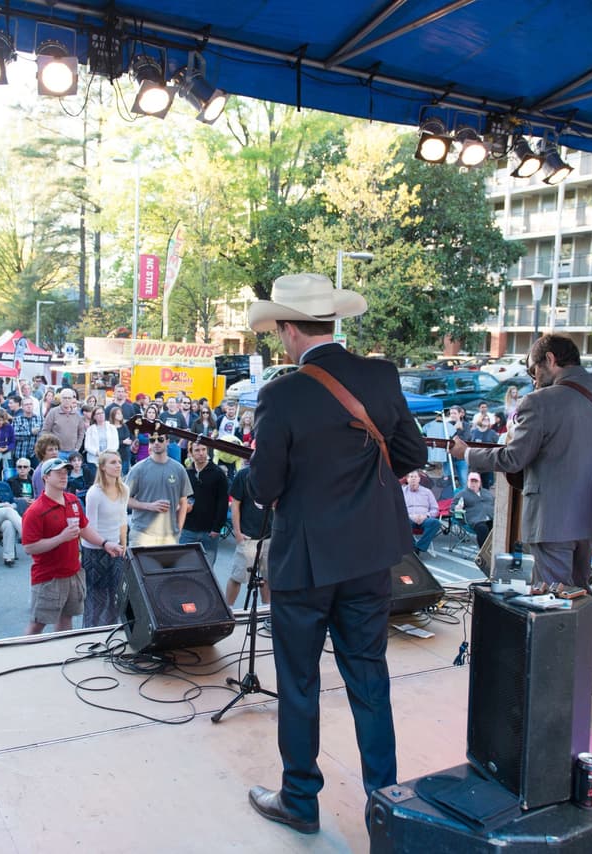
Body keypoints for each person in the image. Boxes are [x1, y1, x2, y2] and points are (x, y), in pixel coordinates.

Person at [243, 273, 427, 835]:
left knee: (299, 683)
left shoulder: (282, 393)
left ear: (289, 329)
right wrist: (361, 489)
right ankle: (387, 805)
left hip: (304, 564)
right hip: (371, 555)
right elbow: (412, 451)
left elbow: (265, 486)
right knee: (369, 678)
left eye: (279, 330)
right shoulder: (380, 374)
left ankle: (300, 801)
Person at [455, 334, 592, 695]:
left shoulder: (540, 402)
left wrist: (466, 454)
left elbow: (512, 459)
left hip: (553, 516)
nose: (532, 378)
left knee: (554, 603)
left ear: (550, 360)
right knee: (581, 594)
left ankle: (557, 691)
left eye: (532, 370)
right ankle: (588, 681)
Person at [22, 457, 124, 635]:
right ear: (45, 477)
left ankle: (62, 655)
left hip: (73, 572)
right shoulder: (35, 510)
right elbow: (29, 547)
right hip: (49, 578)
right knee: (37, 624)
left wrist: (105, 544)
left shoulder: (73, 501)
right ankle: (21, 658)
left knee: (66, 618)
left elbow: (84, 528)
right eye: (58, 473)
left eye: (65, 472)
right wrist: (61, 538)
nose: (64, 476)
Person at [124, 425, 192, 548]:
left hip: (168, 536)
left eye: (160, 439)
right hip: (142, 534)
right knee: (139, 568)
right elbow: (124, 499)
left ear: (167, 441)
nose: (156, 443)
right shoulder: (138, 469)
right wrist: (149, 506)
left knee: (167, 567)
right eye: (152, 440)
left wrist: (178, 529)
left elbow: (183, 502)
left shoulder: (179, 469)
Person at [81, 451, 128, 627]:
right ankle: (90, 635)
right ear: (102, 467)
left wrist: (124, 546)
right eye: (113, 462)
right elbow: (90, 527)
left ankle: (108, 632)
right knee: (96, 599)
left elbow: (123, 521)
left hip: (116, 549)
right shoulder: (95, 492)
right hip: (94, 551)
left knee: (115, 596)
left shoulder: (124, 489)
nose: (118, 465)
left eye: (120, 461)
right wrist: (105, 544)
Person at [225, 461, 270, 608]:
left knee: (267, 578)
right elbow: (235, 504)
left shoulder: (277, 475)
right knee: (237, 577)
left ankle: (265, 610)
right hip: (248, 536)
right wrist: (237, 532)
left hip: (270, 537)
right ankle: (228, 610)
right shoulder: (244, 475)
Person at [179, 440, 229, 566]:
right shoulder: (186, 473)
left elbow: (223, 503)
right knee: (183, 567)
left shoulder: (218, 474)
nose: (201, 453)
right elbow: (179, 498)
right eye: (197, 450)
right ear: (190, 453)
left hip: (209, 531)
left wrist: (217, 528)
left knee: (207, 570)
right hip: (188, 529)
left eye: (203, 450)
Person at [402, 470, 442, 553]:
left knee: (435, 523)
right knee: (402, 522)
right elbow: (398, 509)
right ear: (407, 479)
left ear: (419, 479)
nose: (413, 479)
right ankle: (412, 546)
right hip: (408, 519)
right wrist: (410, 516)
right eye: (411, 477)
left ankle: (419, 547)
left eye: (415, 477)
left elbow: (435, 508)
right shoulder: (402, 492)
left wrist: (426, 516)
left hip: (424, 519)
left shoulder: (427, 492)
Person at [43, 388, 86, 459]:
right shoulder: (53, 412)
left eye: (69, 398)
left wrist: (77, 448)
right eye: (64, 398)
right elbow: (45, 431)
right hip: (57, 452)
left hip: (73, 452)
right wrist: (51, 448)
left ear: (73, 400)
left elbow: (81, 432)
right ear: (60, 399)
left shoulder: (77, 415)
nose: (67, 400)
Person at [454, 472, 494, 547]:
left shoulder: (487, 493)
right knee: (483, 529)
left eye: (476, 481)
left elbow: (495, 503)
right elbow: (452, 507)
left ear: (480, 483)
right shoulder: (462, 494)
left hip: (490, 517)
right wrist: (457, 508)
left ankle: (495, 550)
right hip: (475, 520)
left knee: (498, 527)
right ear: (468, 482)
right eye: (471, 481)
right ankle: (483, 554)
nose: (473, 484)